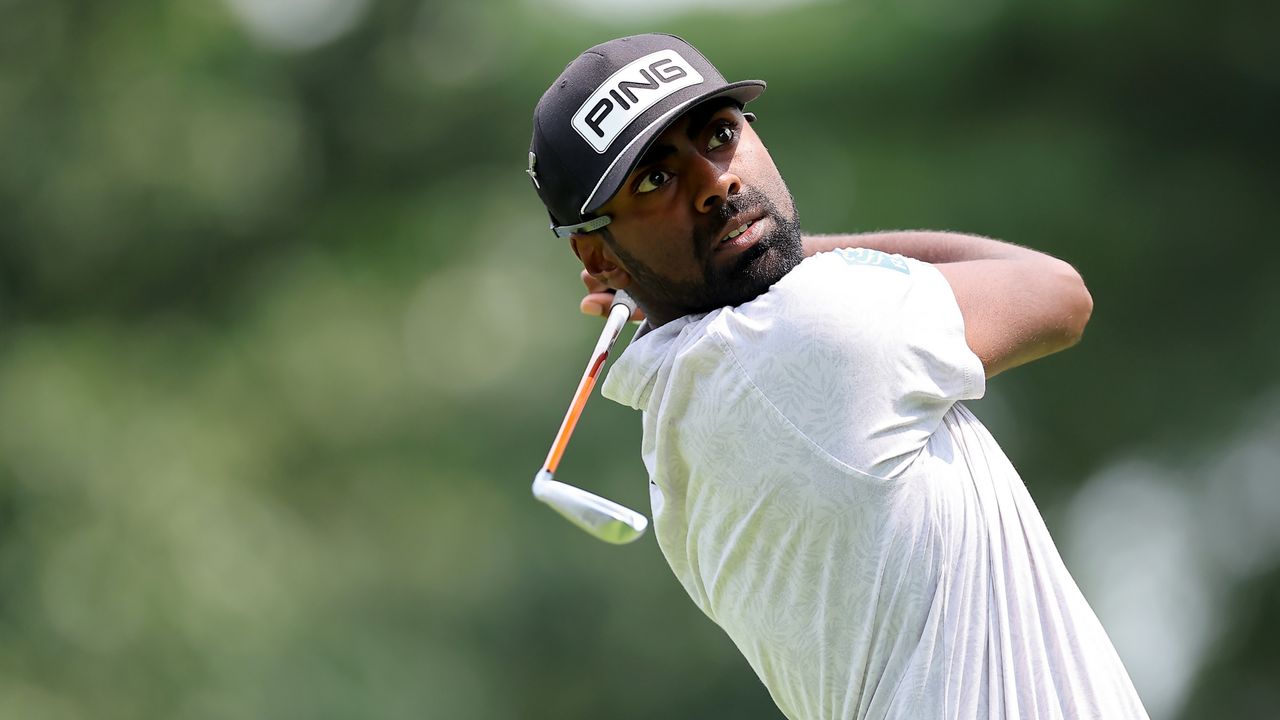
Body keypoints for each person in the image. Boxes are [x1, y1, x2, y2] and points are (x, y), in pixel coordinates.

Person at [528, 33, 1149, 720]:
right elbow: (1056, 293)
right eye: (656, 179)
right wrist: (775, 246)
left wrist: (734, 253)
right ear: (598, 258)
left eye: (720, 134)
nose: (718, 183)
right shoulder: (805, 332)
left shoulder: (683, 418)